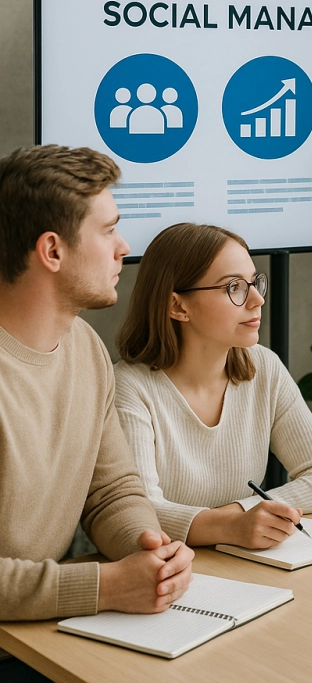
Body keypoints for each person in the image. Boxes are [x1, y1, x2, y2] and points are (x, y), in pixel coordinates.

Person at [0, 145, 193, 678]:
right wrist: (107, 585)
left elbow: (111, 491)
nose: (124, 248)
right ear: (52, 251)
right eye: (108, 230)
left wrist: (151, 551)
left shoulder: (84, 346)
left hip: (38, 634)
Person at [114, 222, 312, 549]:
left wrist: (242, 512)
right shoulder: (129, 387)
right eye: (234, 287)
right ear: (178, 306)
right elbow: (138, 513)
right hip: (165, 572)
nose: (257, 300)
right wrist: (230, 527)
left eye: (254, 283)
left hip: (245, 563)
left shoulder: (262, 366)